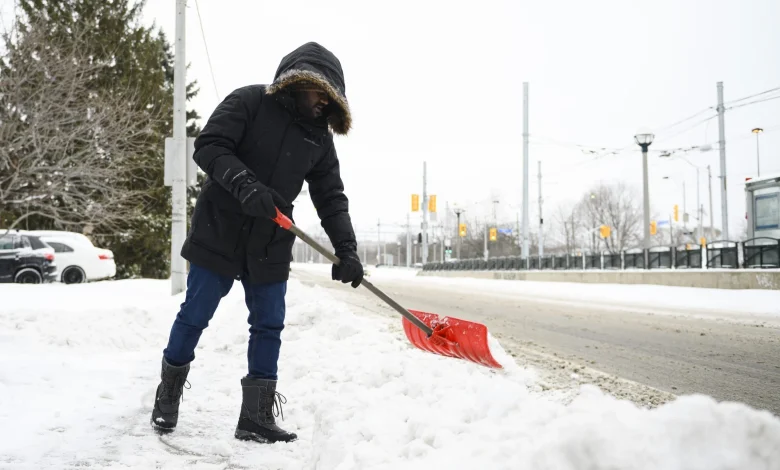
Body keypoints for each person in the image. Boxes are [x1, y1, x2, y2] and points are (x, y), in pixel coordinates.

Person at [150, 42, 364, 444]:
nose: (324, 102)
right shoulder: (249, 101)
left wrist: (347, 249)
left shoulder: (319, 139)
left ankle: (256, 417)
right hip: (220, 228)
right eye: (320, 92)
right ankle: (168, 392)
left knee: (268, 324)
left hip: (270, 238)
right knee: (195, 314)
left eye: (331, 97)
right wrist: (245, 184)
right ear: (299, 82)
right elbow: (209, 145)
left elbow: (331, 197)